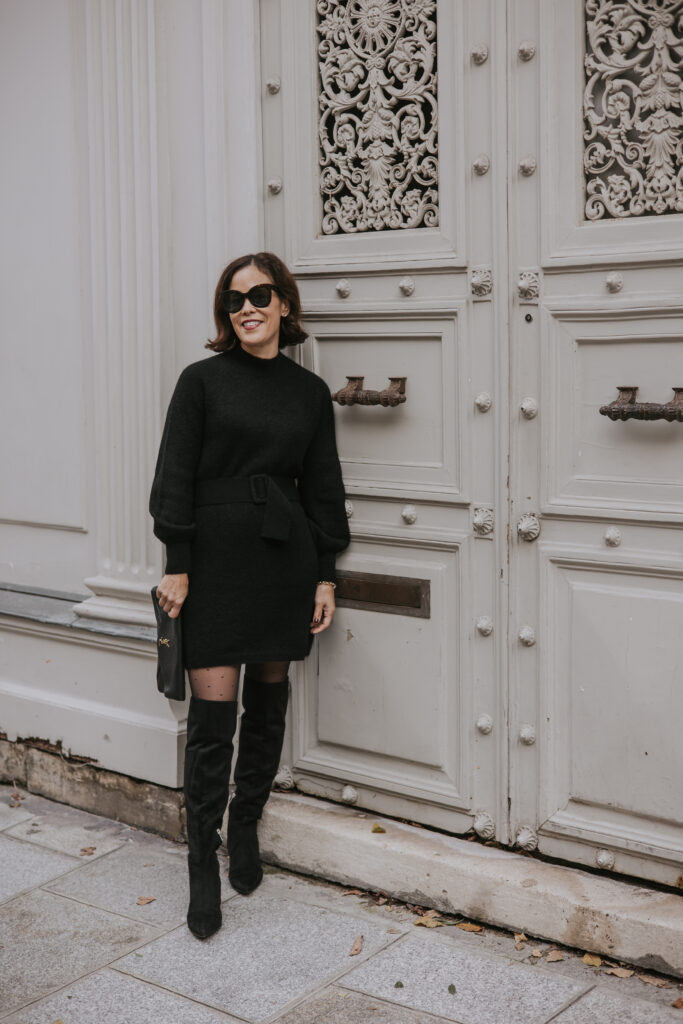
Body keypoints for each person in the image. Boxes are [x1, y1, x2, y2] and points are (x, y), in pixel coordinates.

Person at [149, 251, 350, 940]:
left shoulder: (308, 393)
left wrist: (324, 573)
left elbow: (322, 489)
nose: (247, 307)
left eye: (260, 294)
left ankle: (246, 823)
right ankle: (201, 860)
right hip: (213, 567)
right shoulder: (201, 382)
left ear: (285, 305)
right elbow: (175, 475)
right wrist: (177, 563)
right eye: (234, 299)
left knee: (268, 702)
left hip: (282, 564)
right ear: (224, 314)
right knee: (212, 720)